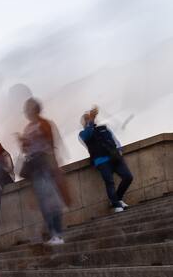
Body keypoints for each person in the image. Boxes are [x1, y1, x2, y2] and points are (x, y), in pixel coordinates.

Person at [18, 98, 68, 245]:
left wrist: (55, 166)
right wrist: (23, 142)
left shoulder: (44, 123)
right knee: (44, 201)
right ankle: (53, 233)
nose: (26, 113)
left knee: (52, 200)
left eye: (28, 109)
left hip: (44, 164)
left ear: (34, 109)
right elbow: (25, 149)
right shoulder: (28, 127)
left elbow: (51, 144)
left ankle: (57, 234)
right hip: (35, 167)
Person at [79, 106, 133, 213]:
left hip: (114, 157)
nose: (88, 119)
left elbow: (115, 140)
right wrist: (91, 121)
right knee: (110, 182)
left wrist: (119, 152)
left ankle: (117, 199)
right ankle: (117, 204)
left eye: (89, 117)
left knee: (128, 177)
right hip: (101, 160)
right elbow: (88, 135)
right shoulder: (82, 134)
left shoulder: (104, 128)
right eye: (86, 118)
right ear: (84, 122)